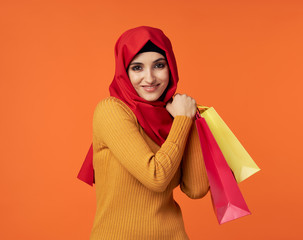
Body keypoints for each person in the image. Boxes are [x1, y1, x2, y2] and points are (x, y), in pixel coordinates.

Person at [77, 26, 209, 239]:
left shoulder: (174, 116)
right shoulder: (111, 110)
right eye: (137, 68)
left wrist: (187, 120)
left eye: (159, 65)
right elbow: (156, 177)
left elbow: (197, 189)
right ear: (124, 72)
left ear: (171, 67)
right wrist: (183, 119)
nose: (149, 78)